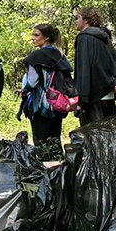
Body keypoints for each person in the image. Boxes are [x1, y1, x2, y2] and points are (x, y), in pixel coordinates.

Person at [21, 24, 72, 161]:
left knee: (42, 144)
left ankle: (45, 175)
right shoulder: (60, 56)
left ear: (46, 38)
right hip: (57, 104)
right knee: (55, 141)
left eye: (36, 35)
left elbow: (32, 82)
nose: (33, 38)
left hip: (40, 105)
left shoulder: (36, 56)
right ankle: (59, 173)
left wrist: (24, 88)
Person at [73, 6, 116, 126]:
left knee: (93, 136)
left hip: (92, 97)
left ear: (86, 20)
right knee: (109, 134)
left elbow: (83, 69)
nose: (76, 21)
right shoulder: (104, 38)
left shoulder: (84, 38)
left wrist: (82, 97)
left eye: (78, 18)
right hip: (108, 94)